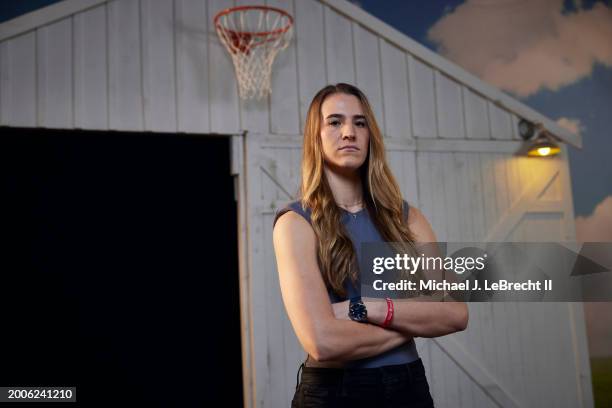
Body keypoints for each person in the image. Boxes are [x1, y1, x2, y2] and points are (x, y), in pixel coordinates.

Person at [272, 83, 468, 407]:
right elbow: (322, 342)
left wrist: (370, 308)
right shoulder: (295, 223)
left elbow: (456, 312)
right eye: (334, 122)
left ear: (369, 136)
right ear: (315, 138)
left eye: (359, 123)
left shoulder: (407, 218)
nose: (349, 132)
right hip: (334, 392)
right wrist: (417, 320)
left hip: (408, 386)